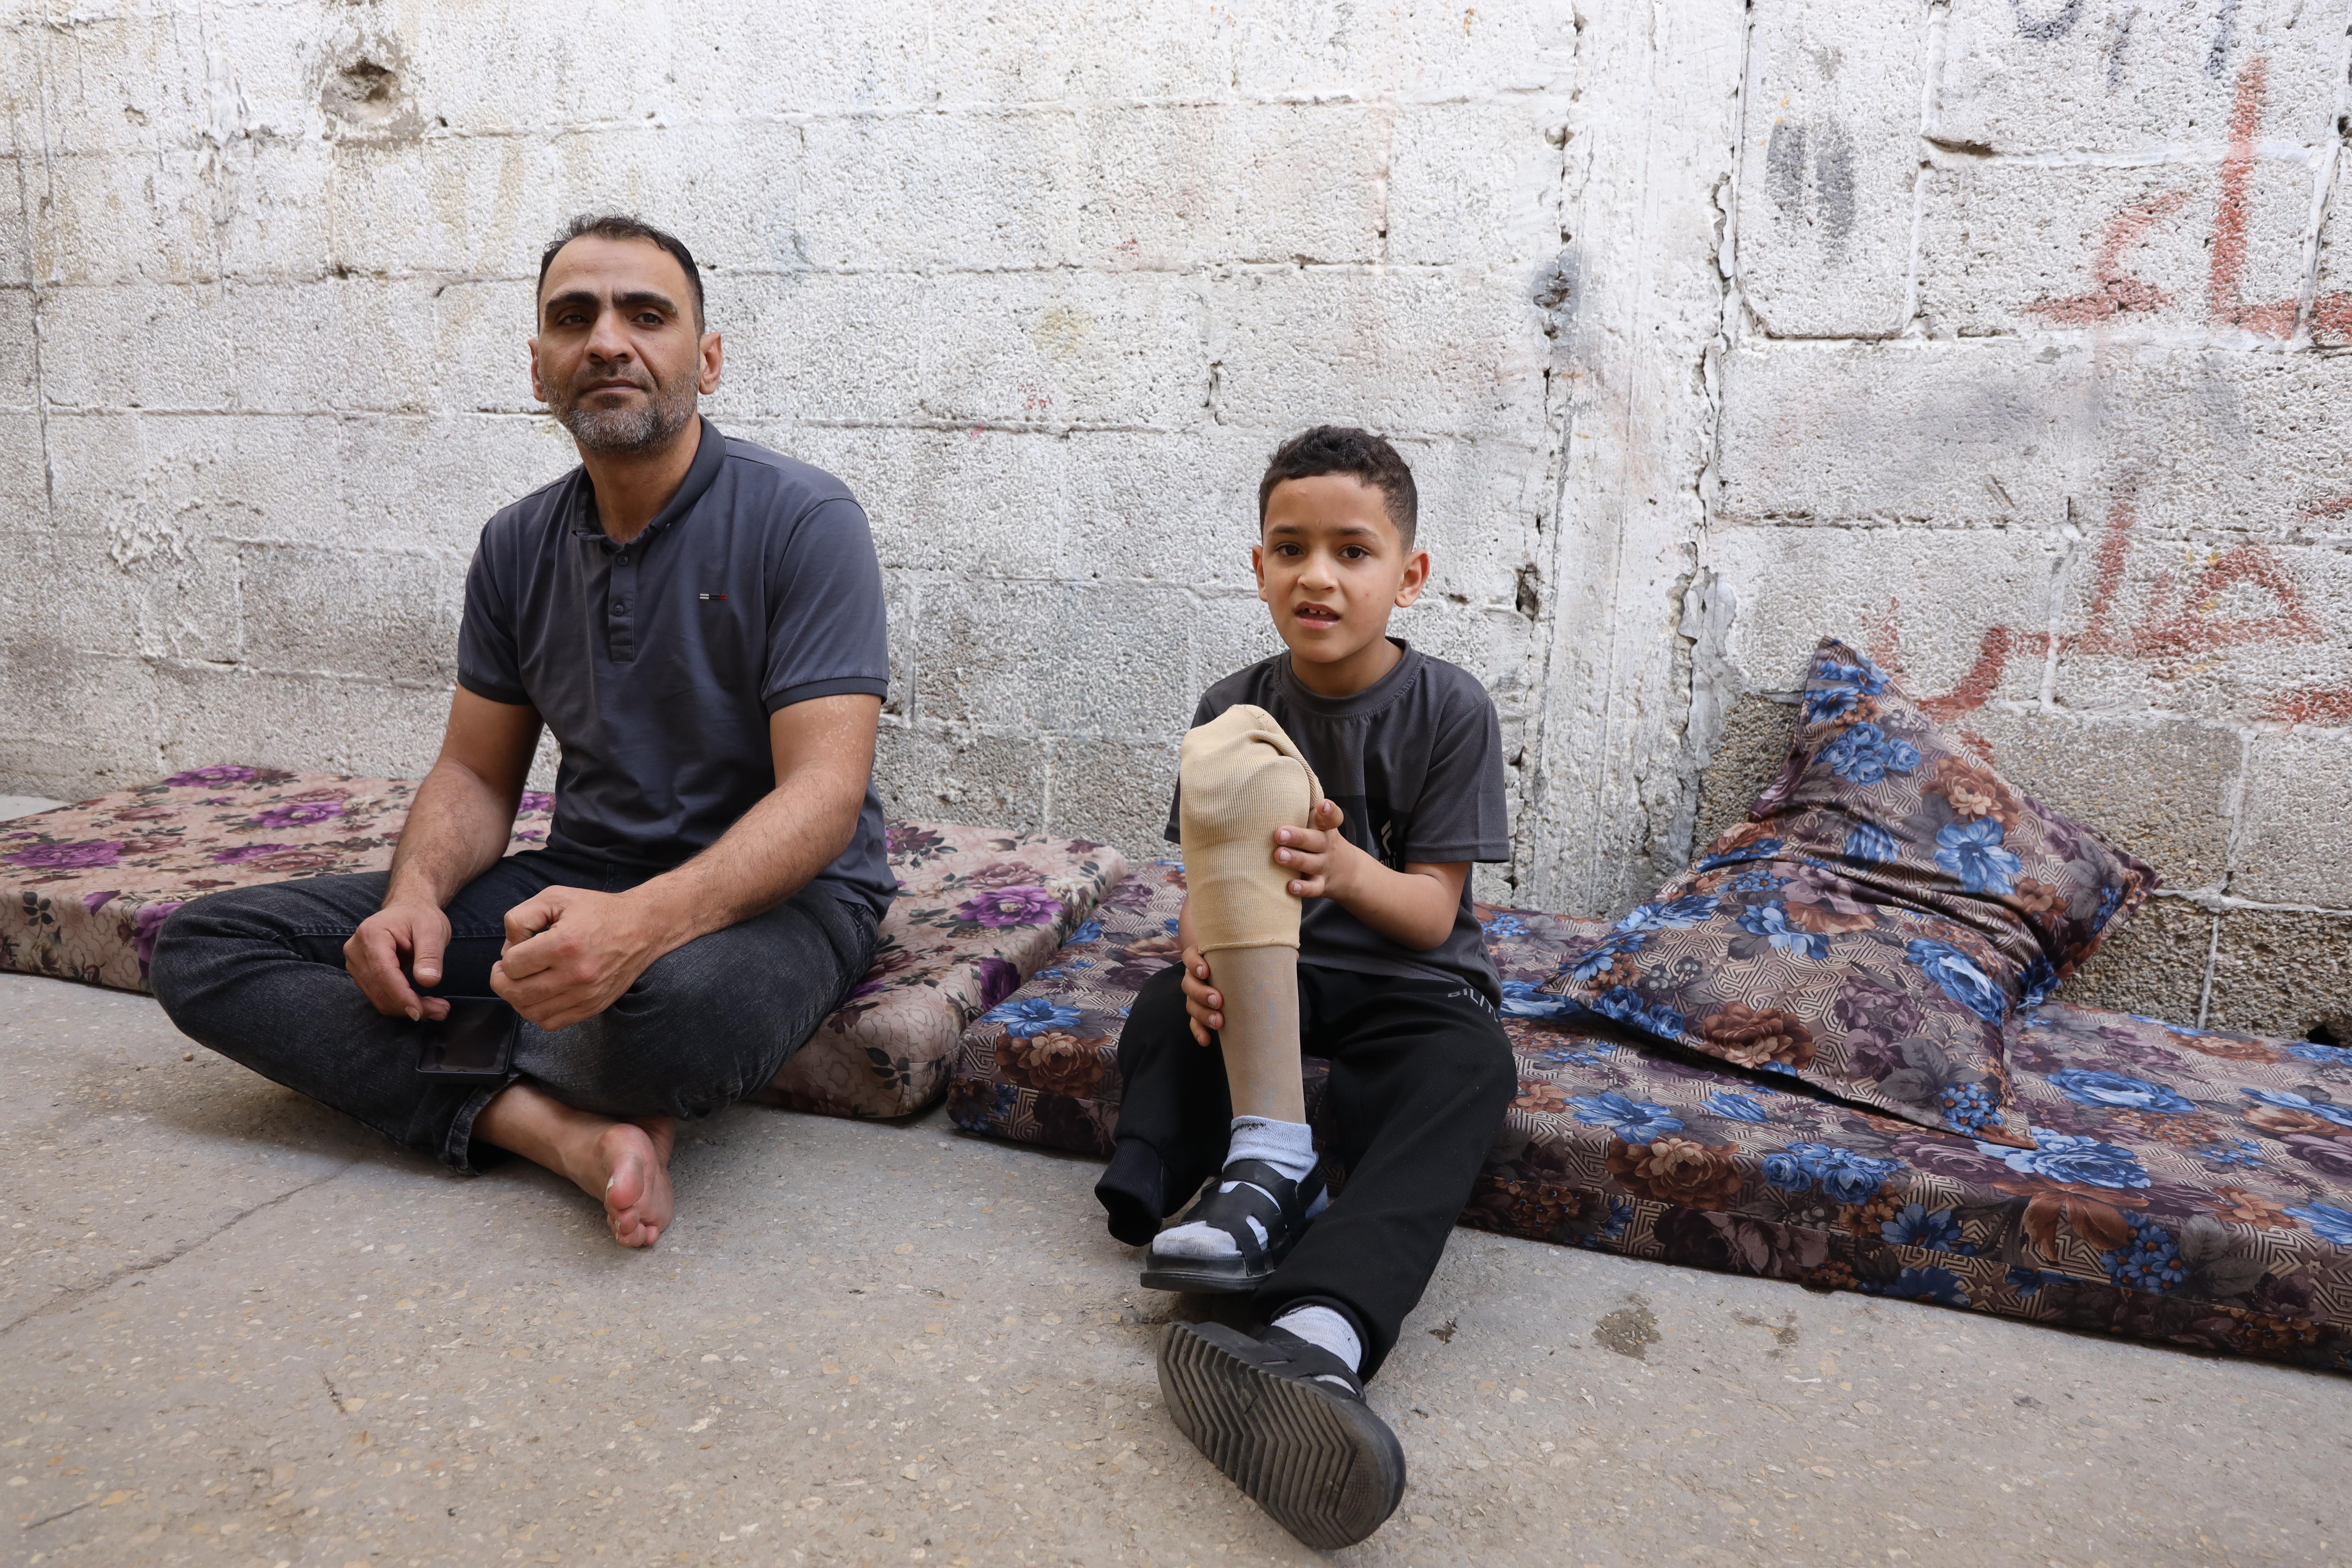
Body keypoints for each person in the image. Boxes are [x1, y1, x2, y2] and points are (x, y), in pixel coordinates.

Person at [149, 214, 894, 1249]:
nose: (606, 341)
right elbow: (475, 771)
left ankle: (530, 1079)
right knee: (204, 946)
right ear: (539, 366)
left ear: (707, 359)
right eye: (572, 318)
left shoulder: (805, 519)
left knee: (673, 1019)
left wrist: (640, 927)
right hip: (580, 873)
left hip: (780, 902)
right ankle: (547, 1127)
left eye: (646, 314)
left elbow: (822, 796)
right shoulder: (514, 543)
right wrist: (415, 897)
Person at [1094, 427, 1517, 1548]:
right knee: (1160, 1009)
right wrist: (1198, 952)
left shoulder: (1449, 708)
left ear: (1408, 574)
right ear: (1258, 565)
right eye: (1290, 548)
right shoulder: (1230, 705)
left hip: (1407, 983)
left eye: (1352, 550)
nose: (1317, 576)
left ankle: (1320, 1328)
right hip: (1274, 968)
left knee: (1472, 1066)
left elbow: (1433, 911)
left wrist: (1345, 868)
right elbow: (1204, 883)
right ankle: (1199, 1192)